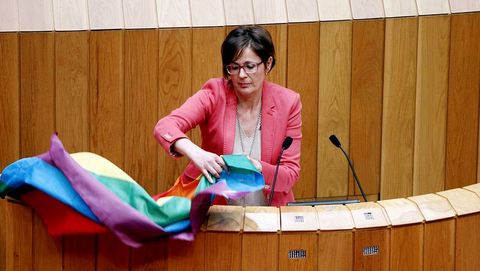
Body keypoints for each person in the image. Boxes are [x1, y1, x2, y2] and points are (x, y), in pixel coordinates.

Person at [154, 25, 302, 206]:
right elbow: (165, 127)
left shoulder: (288, 103)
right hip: (215, 212)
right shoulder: (214, 93)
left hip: (268, 215)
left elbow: (290, 174)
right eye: (234, 67)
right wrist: (198, 155)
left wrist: (258, 168)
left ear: (268, 63)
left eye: (250, 66)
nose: (241, 75)